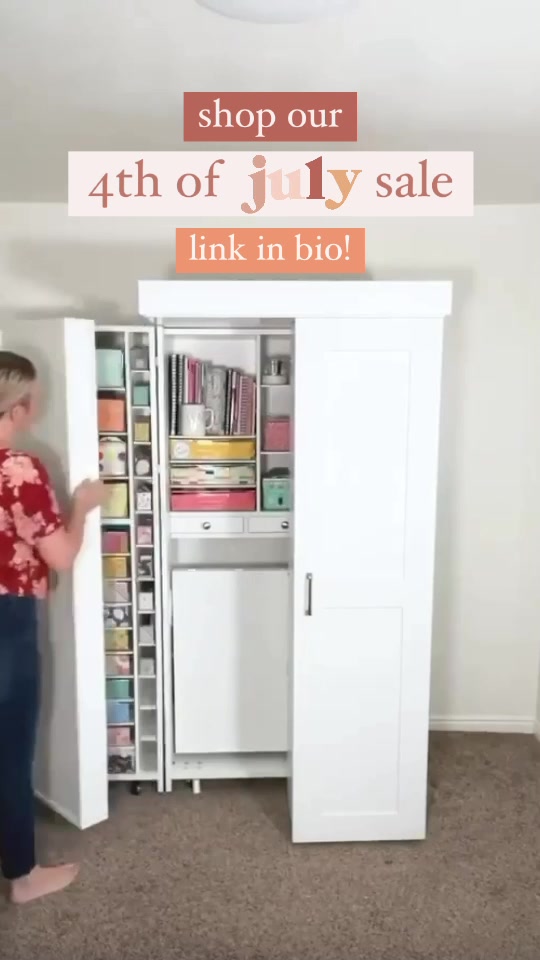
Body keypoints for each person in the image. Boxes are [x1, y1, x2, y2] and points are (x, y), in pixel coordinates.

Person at [0, 350, 106, 905]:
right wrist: (82, 506)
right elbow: (60, 554)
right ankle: (23, 875)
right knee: (11, 747)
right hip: (7, 619)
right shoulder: (19, 470)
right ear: (19, 406)